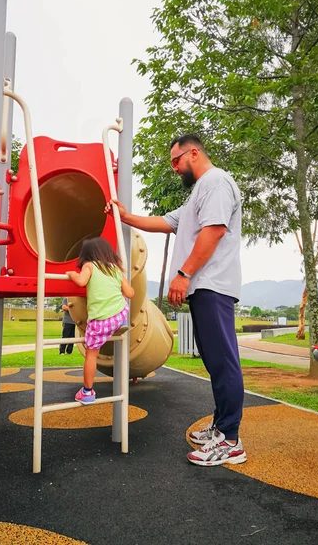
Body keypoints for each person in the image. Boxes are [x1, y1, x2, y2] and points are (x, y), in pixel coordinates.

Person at [105, 133, 246, 466]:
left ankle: (231, 441)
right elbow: (166, 222)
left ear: (193, 153)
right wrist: (124, 217)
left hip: (212, 284)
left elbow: (214, 230)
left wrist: (183, 274)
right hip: (204, 286)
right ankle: (222, 426)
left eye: (176, 161)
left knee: (223, 362)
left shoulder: (215, 183)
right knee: (215, 362)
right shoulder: (200, 190)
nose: (174, 168)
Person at [66, 237, 134, 403]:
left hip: (100, 320)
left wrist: (72, 274)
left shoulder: (89, 266)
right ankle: (121, 324)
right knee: (123, 302)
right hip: (119, 314)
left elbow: (81, 281)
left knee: (91, 354)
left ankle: (87, 392)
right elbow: (130, 293)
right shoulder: (115, 269)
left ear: (87, 255)